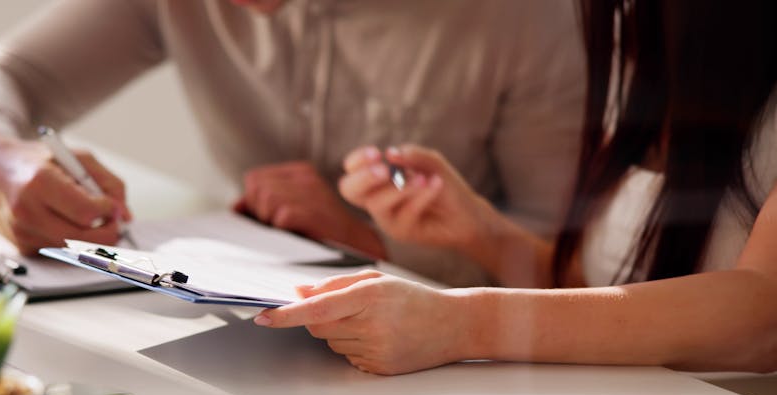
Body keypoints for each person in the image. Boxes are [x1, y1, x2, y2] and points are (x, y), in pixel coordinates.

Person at [253, 0, 777, 375]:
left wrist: (461, 323)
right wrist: (480, 229)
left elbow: (762, 316)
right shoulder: (643, 41)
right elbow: (613, 285)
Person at [0, 0, 584, 286]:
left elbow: (570, 263)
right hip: (241, 347)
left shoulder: (528, 17)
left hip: (464, 378)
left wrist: (374, 240)